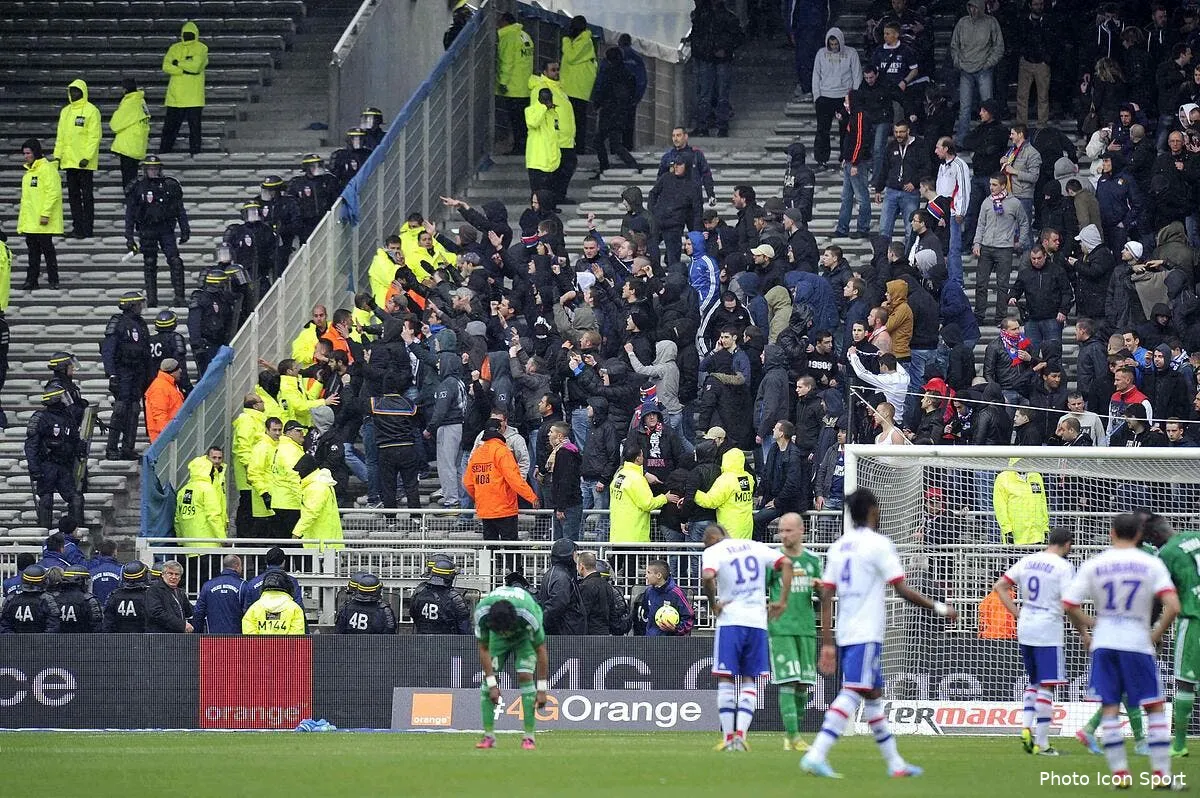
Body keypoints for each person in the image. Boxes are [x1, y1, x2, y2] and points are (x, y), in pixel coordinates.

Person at [801, 488, 956, 778]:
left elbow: (825, 596)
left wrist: (827, 643)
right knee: (853, 691)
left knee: (873, 695)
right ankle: (816, 753)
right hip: (866, 631)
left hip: (846, 632)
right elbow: (902, 590)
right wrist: (940, 608)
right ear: (872, 510)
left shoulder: (839, 546)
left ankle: (895, 764)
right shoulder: (879, 545)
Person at [1063, 514, 1181, 788]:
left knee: (1111, 707)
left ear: (1111, 533)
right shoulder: (1151, 563)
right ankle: (1161, 775)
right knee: (1154, 706)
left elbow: (1069, 604)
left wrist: (1088, 627)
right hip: (1137, 643)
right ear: (1140, 535)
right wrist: (1155, 634)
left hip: (1105, 643)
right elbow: (1173, 606)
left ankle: (1120, 774)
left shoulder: (1095, 563)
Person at [702, 523, 793, 751]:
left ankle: (728, 738)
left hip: (731, 620)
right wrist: (782, 601)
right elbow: (787, 564)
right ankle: (741, 736)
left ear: (712, 538)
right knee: (749, 679)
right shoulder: (756, 546)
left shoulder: (714, 550)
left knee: (725, 678)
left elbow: (707, 575)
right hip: (757, 621)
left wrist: (714, 604)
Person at [991, 526, 1076, 756]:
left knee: (1034, 681)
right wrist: (1085, 628)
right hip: (1048, 628)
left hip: (1026, 626)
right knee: (1047, 685)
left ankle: (1026, 726)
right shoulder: (1064, 567)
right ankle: (1043, 743)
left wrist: (1017, 613)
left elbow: (999, 586)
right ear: (1067, 544)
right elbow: (1069, 603)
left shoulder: (1027, 560)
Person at [768, 513, 823, 751]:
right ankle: (793, 736)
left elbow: (824, 597)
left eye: (789, 530)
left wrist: (822, 589)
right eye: (781, 530)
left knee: (803, 684)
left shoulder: (813, 560)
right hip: (782, 628)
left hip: (806, 627)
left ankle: (794, 735)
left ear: (802, 531)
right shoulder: (773, 560)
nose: (784, 535)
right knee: (788, 680)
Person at [473, 585, 550, 750]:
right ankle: (489, 736)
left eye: (506, 631)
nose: (505, 635)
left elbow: (541, 650)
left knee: (525, 675)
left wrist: (542, 689)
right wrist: (493, 684)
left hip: (523, 635)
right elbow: (483, 648)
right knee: (488, 682)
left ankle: (529, 737)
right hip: (496, 638)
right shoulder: (482, 613)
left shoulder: (529, 615)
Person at [1153, 516, 1200, 758]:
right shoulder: (1195, 535)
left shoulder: (1166, 554)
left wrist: (1156, 632)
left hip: (1193, 618)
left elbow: (1163, 599)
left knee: (1185, 682)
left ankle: (1180, 744)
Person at [125, 155, 190, 308]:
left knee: (175, 261)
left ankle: (179, 296)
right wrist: (129, 237)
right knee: (149, 263)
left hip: (166, 228)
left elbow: (179, 209)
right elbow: (130, 213)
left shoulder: (169, 185)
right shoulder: (137, 187)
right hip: (147, 229)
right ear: (145, 170)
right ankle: (152, 298)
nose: (153, 172)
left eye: (155, 169)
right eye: (150, 169)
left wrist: (185, 229)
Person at [464, 417, 539, 540]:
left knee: (491, 548)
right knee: (511, 549)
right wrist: (531, 497)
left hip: (485, 509)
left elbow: (468, 482)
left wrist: (480, 496)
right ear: (500, 430)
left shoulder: (477, 453)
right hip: (505, 508)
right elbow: (514, 479)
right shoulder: (502, 451)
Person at [25, 380, 84, 529]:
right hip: (47, 465)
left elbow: (74, 439)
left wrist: (79, 447)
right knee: (46, 500)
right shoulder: (40, 417)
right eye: (63, 397)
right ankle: (44, 533)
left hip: (64, 466)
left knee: (76, 498)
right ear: (55, 399)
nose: (66, 400)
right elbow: (31, 445)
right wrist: (34, 468)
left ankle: (77, 531)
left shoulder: (68, 417)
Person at [973, 174, 1030, 325]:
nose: (991, 187)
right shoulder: (986, 202)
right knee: (981, 283)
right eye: (991, 184)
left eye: (995, 185)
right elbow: (980, 224)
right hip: (986, 246)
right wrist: (977, 243)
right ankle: (979, 316)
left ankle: (1000, 317)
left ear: (1003, 186)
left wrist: (1020, 241)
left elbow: (1024, 222)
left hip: (1004, 248)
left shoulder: (1014, 203)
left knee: (1002, 285)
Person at [949, 0, 1004, 144]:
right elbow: (954, 45)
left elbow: (999, 47)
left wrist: (988, 63)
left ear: (981, 7)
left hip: (984, 70)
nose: (973, 10)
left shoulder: (991, 22)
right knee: (964, 108)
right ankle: (961, 141)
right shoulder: (962, 23)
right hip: (965, 70)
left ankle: (990, 140)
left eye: (975, 7)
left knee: (988, 108)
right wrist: (958, 62)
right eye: (971, 7)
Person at [53, 79, 100, 239]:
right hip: (69, 161)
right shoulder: (65, 111)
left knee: (87, 197)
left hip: (84, 163)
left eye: (76, 91)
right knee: (73, 197)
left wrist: (87, 157)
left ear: (83, 92)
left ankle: (88, 229)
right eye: (71, 91)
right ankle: (78, 228)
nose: (73, 94)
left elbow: (94, 136)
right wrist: (57, 156)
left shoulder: (91, 111)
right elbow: (61, 137)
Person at [688, 0, 743, 138]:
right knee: (711, 94)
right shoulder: (707, 16)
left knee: (714, 94)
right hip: (712, 58)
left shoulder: (710, 16)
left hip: (716, 58)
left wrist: (723, 48)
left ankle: (710, 125)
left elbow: (737, 37)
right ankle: (711, 125)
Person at [812, 28, 861, 170]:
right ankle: (821, 160)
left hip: (844, 96)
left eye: (836, 44)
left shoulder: (851, 53)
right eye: (831, 44)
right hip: (825, 97)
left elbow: (857, 74)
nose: (834, 47)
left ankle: (845, 158)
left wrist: (854, 97)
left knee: (845, 129)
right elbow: (816, 75)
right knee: (822, 129)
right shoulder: (821, 54)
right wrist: (817, 96)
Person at [17, 138, 62, 291]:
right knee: (33, 253)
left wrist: (46, 214)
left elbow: (53, 193)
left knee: (48, 251)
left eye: (28, 153)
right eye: (24, 153)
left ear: (35, 152)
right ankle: (32, 280)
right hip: (31, 221)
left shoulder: (47, 170)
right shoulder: (30, 173)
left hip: (42, 220)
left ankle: (53, 280)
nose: (26, 156)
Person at [160, 21, 208, 155]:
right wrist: (184, 69)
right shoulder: (174, 48)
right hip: (175, 97)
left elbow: (196, 67)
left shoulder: (201, 48)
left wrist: (178, 63)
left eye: (190, 34)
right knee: (169, 128)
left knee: (195, 129)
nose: (187, 36)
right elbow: (166, 66)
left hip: (194, 97)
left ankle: (196, 153)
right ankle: (164, 153)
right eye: (185, 34)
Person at [609, 439, 670, 543]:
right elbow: (648, 504)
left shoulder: (620, 474)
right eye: (642, 455)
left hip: (618, 534)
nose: (643, 458)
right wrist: (665, 498)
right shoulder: (637, 478)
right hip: (634, 535)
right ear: (637, 459)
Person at [693, 448, 755, 539]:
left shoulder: (726, 480)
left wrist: (694, 492)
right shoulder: (748, 478)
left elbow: (710, 501)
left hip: (729, 528)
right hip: (746, 527)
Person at [496, 13, 534, 153]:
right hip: (525, 86)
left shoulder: (508, 38)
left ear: (506, 22)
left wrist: (502, 82)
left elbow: (507, 62)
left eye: (499, 21)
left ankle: (519, 147)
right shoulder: (524, 36)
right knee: (523, 120)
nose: (497, 25)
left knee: (516, 120)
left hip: (513, 87)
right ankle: (523, 146)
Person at [187, 269, 235, 378]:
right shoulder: (200, 298)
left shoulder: (222, 299)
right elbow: (194, 323)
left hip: (219, 343)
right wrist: (198, 345)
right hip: (206, 345)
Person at [560, 15, 597, 151]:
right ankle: (576, 146)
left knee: (577, 120)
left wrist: (565, 40)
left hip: (577, 88)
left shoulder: (584, 41)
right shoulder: (580, 40)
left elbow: (570, 57)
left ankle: (578, 147)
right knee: (575, 119)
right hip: (573, 87)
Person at [535, 537, 587, 635]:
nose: (577, 556)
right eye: (575, 552)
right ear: (568, 555)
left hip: (564, 633)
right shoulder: (561, 577)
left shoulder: (558, 573)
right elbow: (556, 607)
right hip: (564, 636)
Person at [292, 454, 344, 548]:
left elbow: (311, 513)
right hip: (326, 539)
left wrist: (297, 532)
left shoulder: (316, 488)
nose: (299, 475)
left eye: (299, 472)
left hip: (320, 542)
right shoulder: (321, 483)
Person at [109, 78, 151, 192]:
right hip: (138, 144)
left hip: (128, 145)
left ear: (124, 89)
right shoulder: (141, 101)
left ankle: (131, 202)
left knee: (128, 178)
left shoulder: (129, 102)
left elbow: (114, 125)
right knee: (133, 176)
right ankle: (134, 200)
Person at [410, 556, 471, 634]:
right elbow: (465, 629)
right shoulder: (455, 598)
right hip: (449, 643)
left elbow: (413, 614)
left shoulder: (419, 591)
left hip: (421, 641)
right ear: (451, 577)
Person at [633, 559, 694, 637]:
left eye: (648, 573)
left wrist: (676, 629)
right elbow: (645, 614)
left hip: (670, 643)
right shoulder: (648, 591)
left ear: (659, 575)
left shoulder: (676, 593)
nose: (646, 576)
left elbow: (689, 617)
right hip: (650, 640)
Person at [175, 454, 225, 546]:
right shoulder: (207, 489)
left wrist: (180, 541)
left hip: (188, 546)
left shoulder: (183, 491)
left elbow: (178, 519)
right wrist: (223, 539)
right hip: (208, 545)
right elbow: (213, 516)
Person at [543, 421, 582, 541]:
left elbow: (565, 481)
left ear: (560, 435)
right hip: (566, 504)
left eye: (551, 432)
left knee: (566, 543)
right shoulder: (566, 451)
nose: (548, 434)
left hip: (567, 506)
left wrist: (561, 507)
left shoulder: (565, 453)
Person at [269, 420, 307, 538]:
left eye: (303, 431)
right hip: (290, 503)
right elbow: (293, 476)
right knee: (293, 542)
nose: (302, 434)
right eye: (298, 431)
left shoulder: (286, 447)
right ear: (289, 433)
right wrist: (303, 499)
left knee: (285, 541)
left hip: (283, 500)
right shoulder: (290, 450)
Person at [239, 546, 305, 613]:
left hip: (260, 622)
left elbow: (247, 610)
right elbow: (299, 607)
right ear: (284, 562)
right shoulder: (291, 581)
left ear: (266, 561)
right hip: (286, 622)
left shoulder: (252, 583)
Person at [524, 87, 562, 201]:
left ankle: (550, 209)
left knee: (549, 191)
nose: (549, 102)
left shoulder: (553, 113)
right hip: (537, 161)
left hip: (551, 160)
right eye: (546, 100)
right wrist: (543, 107)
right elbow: (533, 123)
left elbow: (556, 133)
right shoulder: (531, 110)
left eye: (550, 99)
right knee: (537, 192)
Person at [242, 569, 306, 635]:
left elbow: (249, 635)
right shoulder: (295, 608)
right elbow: (297, 636)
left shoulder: (254, 608)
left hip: (260, 645)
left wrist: (260, 644)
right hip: (286, 645)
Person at [192, 554, 244, 634]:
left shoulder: (208, 585)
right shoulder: (242, 585)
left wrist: (197, 634)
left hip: (213, 639)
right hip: (237, 639)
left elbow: (198, 613)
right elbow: (248, 612)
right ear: (237, 566)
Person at [0, 566, 59, 634]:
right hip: (41, 643)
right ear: (45, 581)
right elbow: (53, 627)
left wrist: (15, 641)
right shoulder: (48, 600)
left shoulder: (10, 599)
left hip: (15, 643)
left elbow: (4, 626)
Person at [145, 559, 192, 633]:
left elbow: (189, 611)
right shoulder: (154, 590)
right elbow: (156, 613)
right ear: (163, 575)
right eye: (170, 573)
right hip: (161, 637)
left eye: (177, 574)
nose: (174, 577)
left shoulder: (180, 592)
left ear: (180, 577)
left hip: (178, 636)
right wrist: (181, 625)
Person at [102, 561, 151, 633]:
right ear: (144, 576)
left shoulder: (114, 595)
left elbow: (108, 624)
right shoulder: (150, 596)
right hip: (144, 641)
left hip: (118, 640)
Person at [144, 358, 185, 443]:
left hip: (171, 434)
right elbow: (159, 415)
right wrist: (167, 435)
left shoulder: (167, 385)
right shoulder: (160, 388)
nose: (180, 370)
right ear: (172, 372)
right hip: (164, 438)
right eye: (178, 369)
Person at [54, 565, 103, 633]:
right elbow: (97, 627)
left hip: (56, 642)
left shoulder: (54, 598)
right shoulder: (89, 600)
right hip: (85, 641)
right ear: (81, 581)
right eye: (86, 581)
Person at [575, 551, 613, 635]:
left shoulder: (585, 586)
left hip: (590, 634)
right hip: (605, 632)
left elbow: (583, 614)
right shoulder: (607, 585)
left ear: (581, 566)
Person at [87, 540, 121, 608]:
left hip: (96, 610)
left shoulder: (91, 571)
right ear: (115, 552)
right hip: (115, 610)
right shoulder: (121, 570)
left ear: (100, 552)